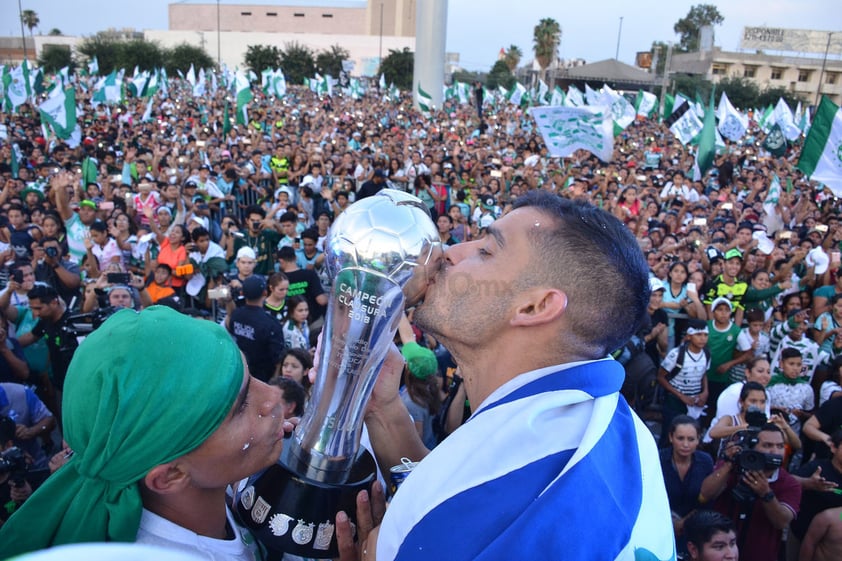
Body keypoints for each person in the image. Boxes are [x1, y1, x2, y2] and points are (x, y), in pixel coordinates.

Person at [336, 192, 674, 560]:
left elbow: (459, 515)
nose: (450, 252)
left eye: (486, 250)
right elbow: (466, 486)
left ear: (535, 306)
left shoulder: (468, 528)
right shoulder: (615, 424)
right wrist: (385, 410)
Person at [0, 306, 292, 558]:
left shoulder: (214, 481)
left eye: (250, 376)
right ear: (170, 476)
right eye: (240, 407)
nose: (272, 398)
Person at [699, 423, 801, 561]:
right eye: (767, 445)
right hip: (720, 554)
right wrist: (729, 464)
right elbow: (706, 494)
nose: (775, 451)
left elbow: (782, 521)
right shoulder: (733, 468)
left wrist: (766, 494)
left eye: (780, 446)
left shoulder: (789, 483)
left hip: (760, 555)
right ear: (752, 447)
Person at [659, 416, 714, 556]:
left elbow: (708, 499)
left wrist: (683, 523)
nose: (685, 444)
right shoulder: (658, 459)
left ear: (698, 440)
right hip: (661, 524)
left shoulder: (705, 461)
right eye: (680, 438)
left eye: (691, 439)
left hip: (695, 527)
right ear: (671, 437)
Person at [657, 319, 711, 447]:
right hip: (674, 402)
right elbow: (660, 377)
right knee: (669, 434)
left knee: (691, 434)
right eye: (699, 335)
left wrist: (705, 392)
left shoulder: (706, 354)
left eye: (705, 335)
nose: (702, 339)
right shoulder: (676, 354)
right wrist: (681, 396)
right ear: (689, 336)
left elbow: (704, 373)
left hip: (694, 402)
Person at [227, 276, 286, 383]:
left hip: (239, 373)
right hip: (262, 379)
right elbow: (278, 359)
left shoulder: (236, 315)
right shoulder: (271, 323)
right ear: (265, 293)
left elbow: (230, 329)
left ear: (242, 293)